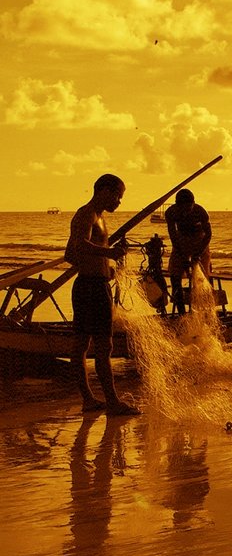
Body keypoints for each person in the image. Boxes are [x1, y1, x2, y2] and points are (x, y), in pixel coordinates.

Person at [64, 173, 141, 416]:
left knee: (83, 345)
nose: (119, 201)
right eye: (117, 195)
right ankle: (112, 402)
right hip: (91, 288)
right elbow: (79, 244)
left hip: (93, 285)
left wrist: (103, 267)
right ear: (103, 191)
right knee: (100, 346)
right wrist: (107, 255)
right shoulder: (86, 214)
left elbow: (70, 254)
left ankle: (89, 399)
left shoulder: (99, 218)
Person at [164, 189, 212, 315]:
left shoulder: (201, 212)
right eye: (183, 209)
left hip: (199, 239)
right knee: (175, 275)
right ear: (176, 205)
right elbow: (173, 235)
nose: (186, 212)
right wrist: (183, 257)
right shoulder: (171, 213)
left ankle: (203, 312)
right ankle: (182, 314)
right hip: (181, 240)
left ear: (193, 204)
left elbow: (208, 235)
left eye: (188, 208)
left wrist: (198, 253)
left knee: (201, 278)